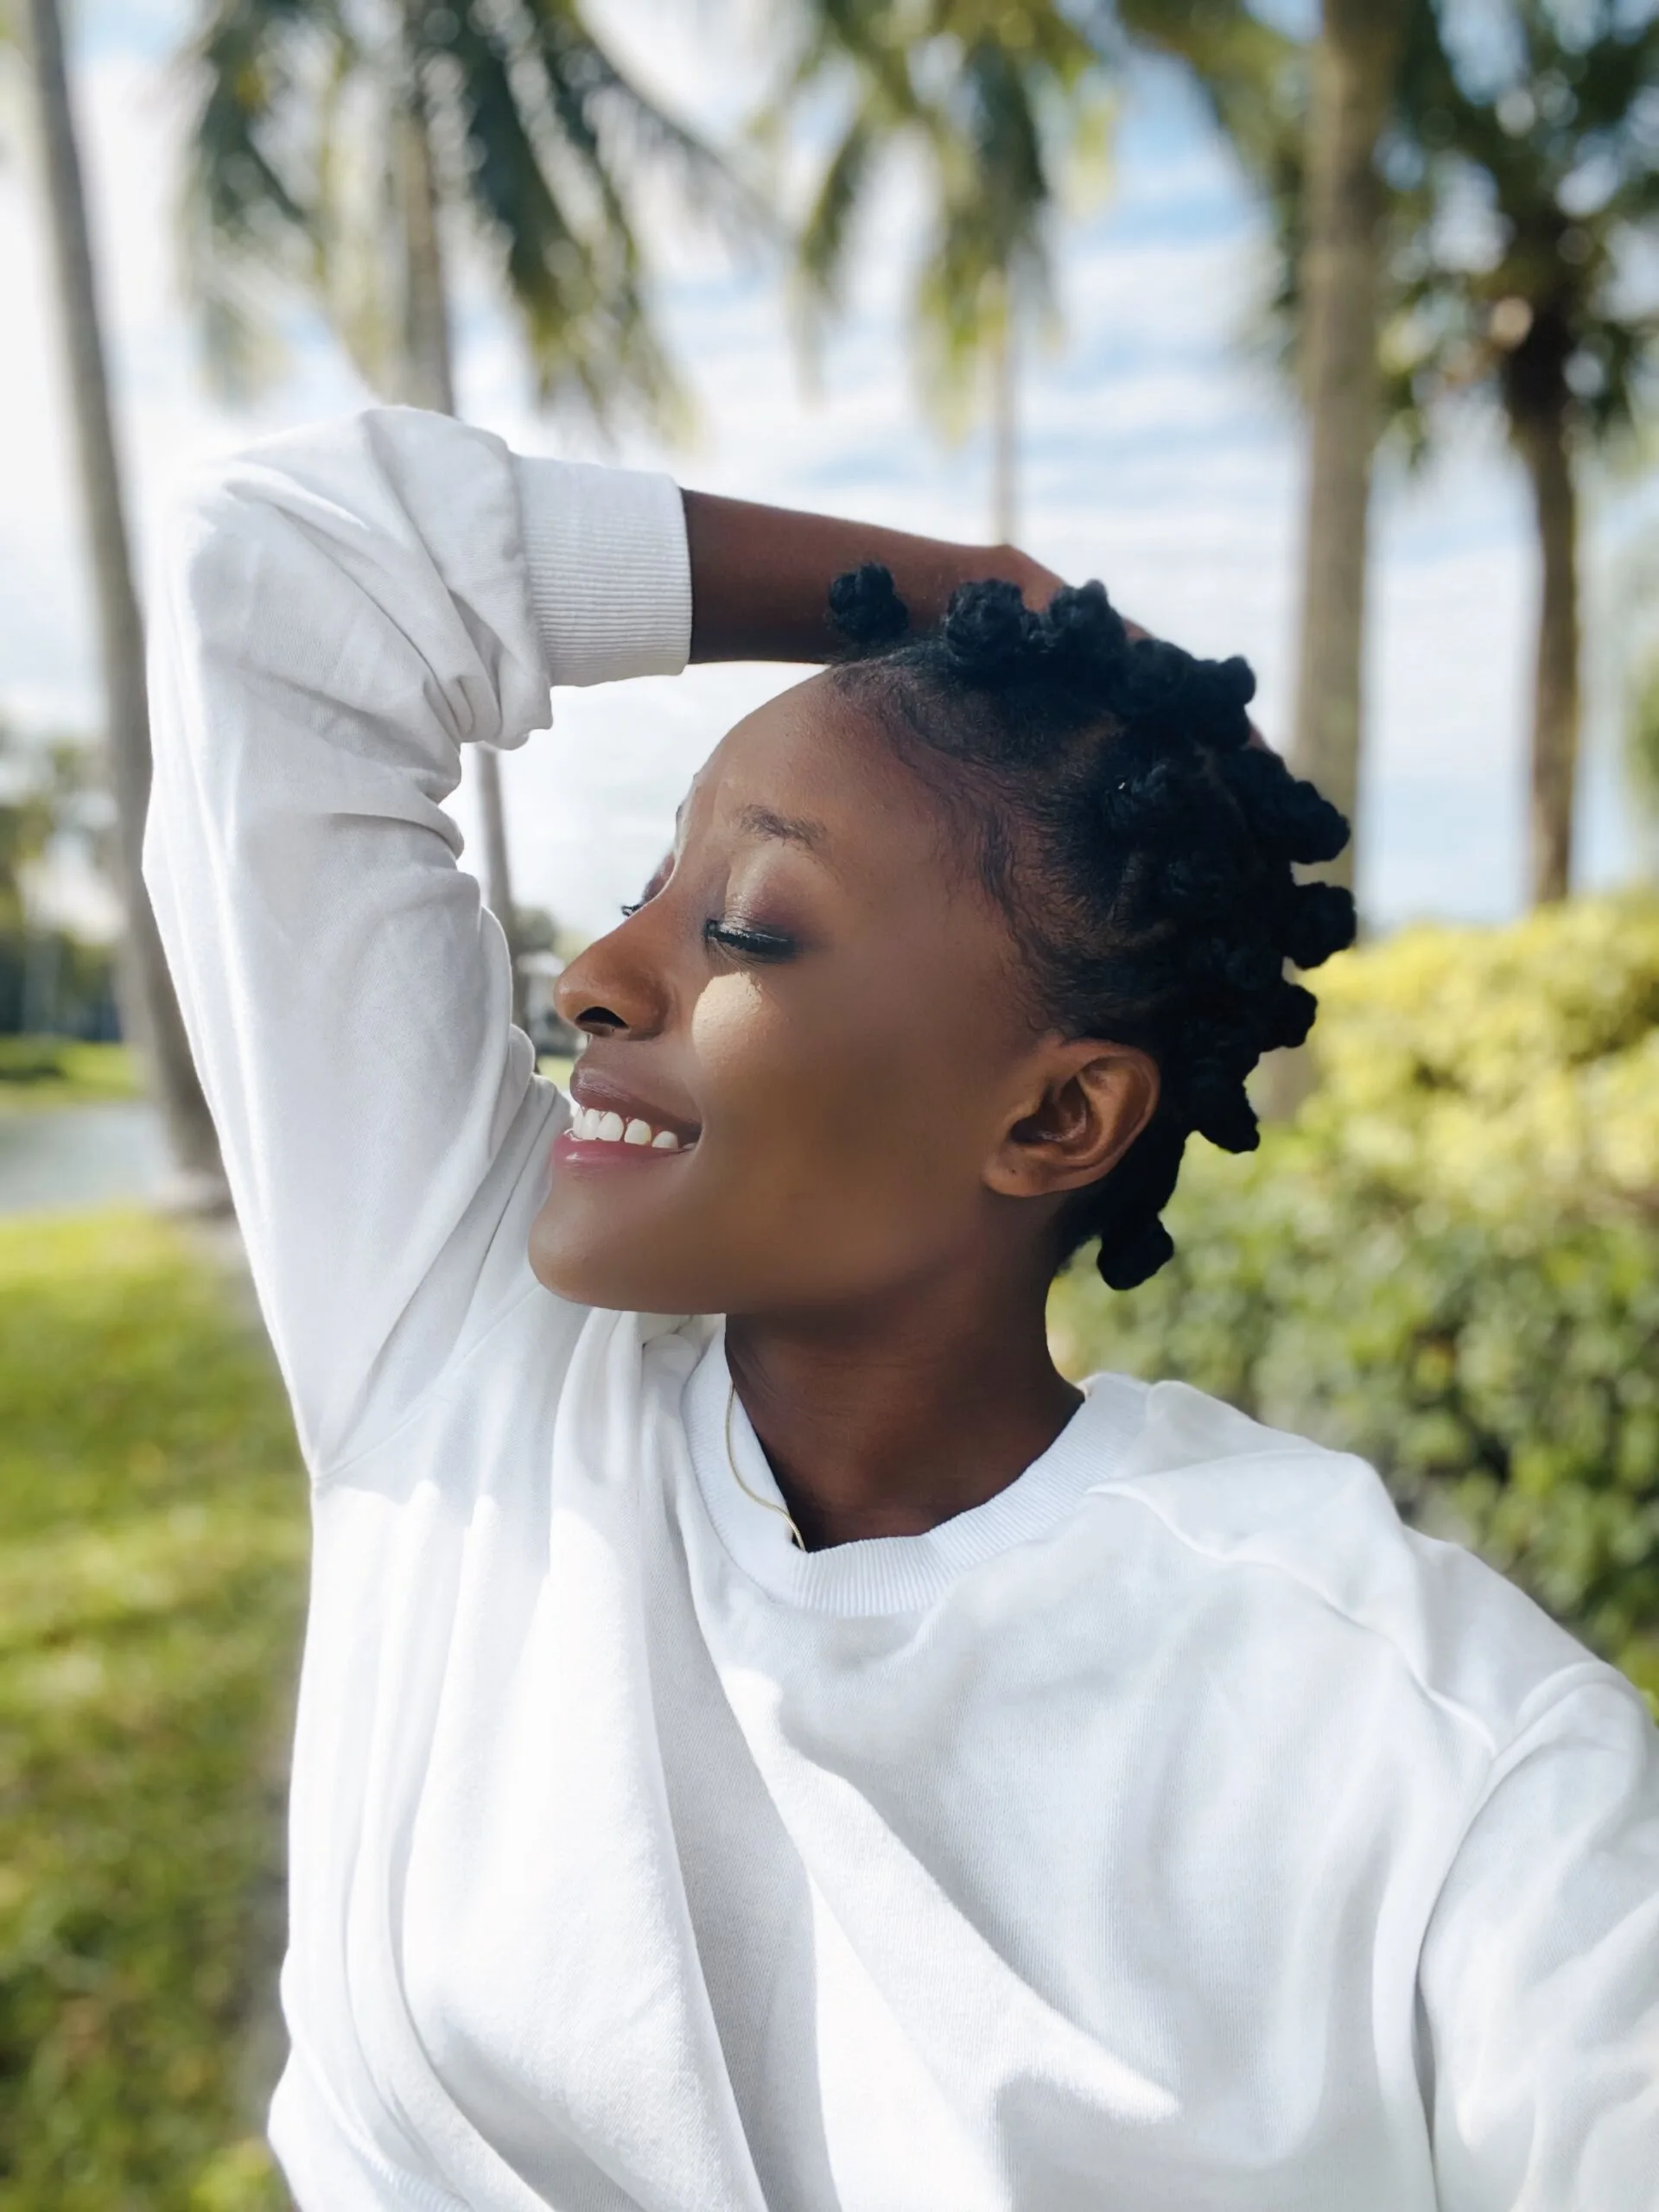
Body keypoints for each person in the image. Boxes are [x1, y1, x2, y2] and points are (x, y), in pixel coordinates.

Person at [145, 405, 1659, 2212]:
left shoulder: (1431, 1754)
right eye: (649, 888)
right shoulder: (472, 1347)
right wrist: (947, 598)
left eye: (750, 928)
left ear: (1052, 1115)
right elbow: (284, 569)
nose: (599, 976)